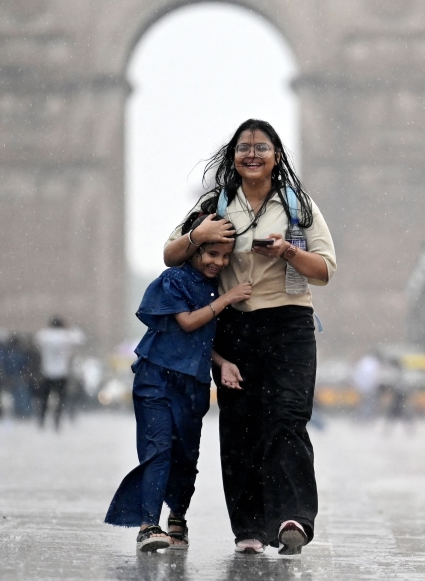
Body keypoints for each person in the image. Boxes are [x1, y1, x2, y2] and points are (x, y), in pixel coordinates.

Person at [162, 118, 336, 556]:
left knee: (288, 417)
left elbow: (326, 271)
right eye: (244, 147)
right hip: (236, 327)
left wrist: (288, 251)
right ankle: (249, 527)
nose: (252, 154)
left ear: (277, 156)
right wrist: (199, 235)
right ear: (233, 157)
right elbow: (170, 254)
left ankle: (294, 517)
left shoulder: (301, 207)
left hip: (290, 324)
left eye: (262, 146)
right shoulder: (215, 206)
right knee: (239, 428)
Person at [105, 215, 251, 552]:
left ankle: (178, 518)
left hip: (193, 384)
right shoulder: (173, 280)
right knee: (158, 450)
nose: (219, 262)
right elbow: (186, 323)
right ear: (195, 249)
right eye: (211, 254)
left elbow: (200, 339)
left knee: (186, 456)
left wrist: (223, 361)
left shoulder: (213, 288)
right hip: (155, 377)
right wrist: (227, 300)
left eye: (226, 256)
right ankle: (148, 525)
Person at [34, 316, 84, 430]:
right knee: (60, 399)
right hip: (62, 373)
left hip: (46, 372)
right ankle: (57, 421)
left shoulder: (44, 335)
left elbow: (36, 338)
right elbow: (80, 338)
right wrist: (69, 329)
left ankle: (42, 420)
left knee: (44, 399)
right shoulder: (66, 336)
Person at [353, 352, 382, 422]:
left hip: (360, 385)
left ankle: (358, 416)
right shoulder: (374, 364)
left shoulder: (365, 361)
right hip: (369, 386)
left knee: (363, 402)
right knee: (369, 402)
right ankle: (365, 417)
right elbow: (374, 376)